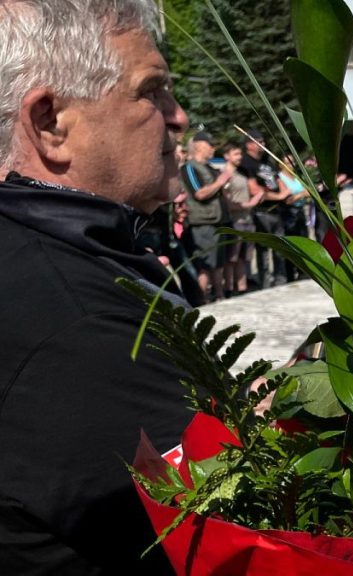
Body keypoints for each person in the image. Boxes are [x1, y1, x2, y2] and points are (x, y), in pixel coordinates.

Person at [0, 1, 192, 572]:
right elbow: (214, 535)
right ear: (51, 122)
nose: (177, 115)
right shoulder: (83, 322)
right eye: (151, 90)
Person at [181, 131, 231, 303]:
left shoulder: (209, 167)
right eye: (210, 145)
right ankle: (201, 301)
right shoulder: (190, 167)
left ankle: (219, 296)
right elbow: (199, 194)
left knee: (218, 263)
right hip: (202, 222)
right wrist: (220, 181)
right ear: (199, 146)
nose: (213, 148)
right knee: (204, 265)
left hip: (217, 221)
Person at [240, 130, 291, 287]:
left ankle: (281, 278)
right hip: (261, 212)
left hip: (277, 211)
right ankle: (265, 281)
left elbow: (278, 180)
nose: (263, 145)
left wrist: (283, 193)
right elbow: (255, 191)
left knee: (280, 246)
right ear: (249, 144)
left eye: (263, 141)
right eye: (259, 142)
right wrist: (280, 196)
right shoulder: (245, 163)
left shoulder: (267, 160)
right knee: (263, 249)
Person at [221, 142, 263, 295]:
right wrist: (249, 203)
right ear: (226, 156)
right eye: (235, 154)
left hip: (247, 220)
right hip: (235, 221)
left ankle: (242, 286)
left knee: (243, 257)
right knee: (231, 257)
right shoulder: (224, 174)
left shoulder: (241, 174)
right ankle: (229, 288)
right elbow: (227, 202)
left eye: (240, 154)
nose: (239, 157)